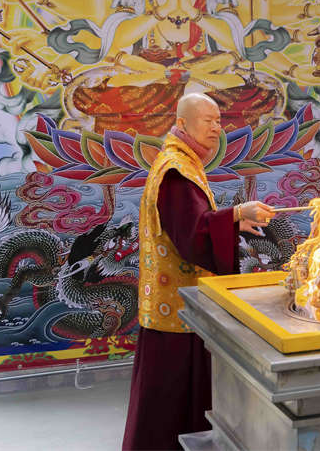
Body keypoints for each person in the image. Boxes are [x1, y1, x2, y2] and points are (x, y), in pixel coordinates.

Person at [122, 92, 275, 450]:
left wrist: (233, 224)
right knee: (171, 403)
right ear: (182, 123)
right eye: (208, 121)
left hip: (173, 302)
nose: (216, 128)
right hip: (176, 310)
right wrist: (236, 213)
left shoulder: (180, 162)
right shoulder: (176, 172)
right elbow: (192, 236)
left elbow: (189, 224)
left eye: (219, 121)